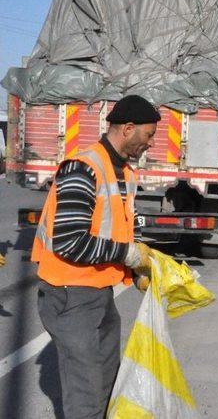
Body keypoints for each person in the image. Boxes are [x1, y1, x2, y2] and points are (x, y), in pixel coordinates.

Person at [32, 94, 161, 419]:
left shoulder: (125, 175)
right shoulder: (83, 168)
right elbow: (70, 242)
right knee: (87, 396)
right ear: (128, 129)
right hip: (70, 295)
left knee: (108, 387)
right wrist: (128, 255)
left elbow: (112, 231)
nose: (151, 143)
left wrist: (135, 272)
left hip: (98, 293)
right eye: (148, 135)